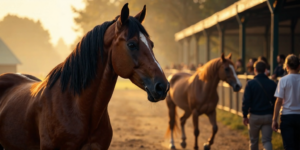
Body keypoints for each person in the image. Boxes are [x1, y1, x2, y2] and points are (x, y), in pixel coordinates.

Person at [242, 61, 277, 150]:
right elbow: (275, 101)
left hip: (254, 116)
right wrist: (274, 117)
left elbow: (246, 101)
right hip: (268, 116)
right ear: (265, 70)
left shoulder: (250, 84)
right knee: (267, 141)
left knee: (254, 141)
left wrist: (245, 115)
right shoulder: (272, 83)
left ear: (255, 70)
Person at [272, 54, 300, 150]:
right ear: (299, 66)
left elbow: (279, 101)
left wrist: (274, 120)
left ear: (286, 67)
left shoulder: (283, 80)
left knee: (288, 146)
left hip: (287, 117)